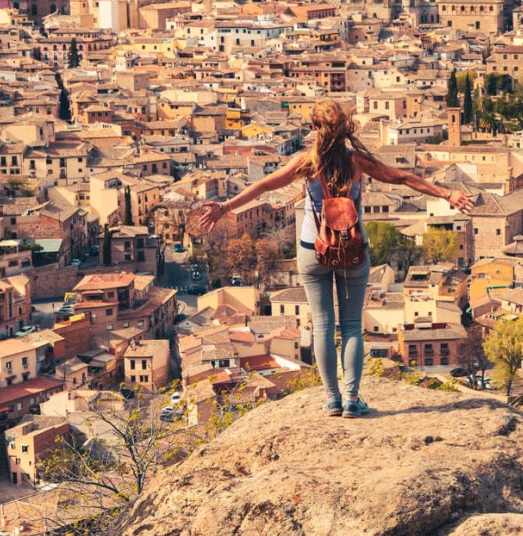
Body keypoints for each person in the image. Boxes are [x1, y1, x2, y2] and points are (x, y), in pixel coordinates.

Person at [195, 99, 475, 418]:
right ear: (344, 130)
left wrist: (225, 208)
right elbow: (402, 178)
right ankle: (352, 399)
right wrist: (447, 194)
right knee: (353, 325)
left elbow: (261, 186)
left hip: (312, 250)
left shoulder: (306, 163)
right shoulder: (357, 161)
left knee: (323, 325)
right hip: (353, 250)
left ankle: (332, 399)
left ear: (314, 129)